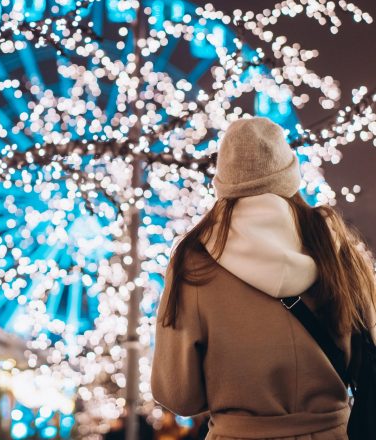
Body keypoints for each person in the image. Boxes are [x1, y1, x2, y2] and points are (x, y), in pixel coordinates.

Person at [151, 117, 376, 440]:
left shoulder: (194, 259)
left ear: (223, 180)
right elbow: (367, 357)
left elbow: (178, 394)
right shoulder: (336, 247)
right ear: (290, 174)